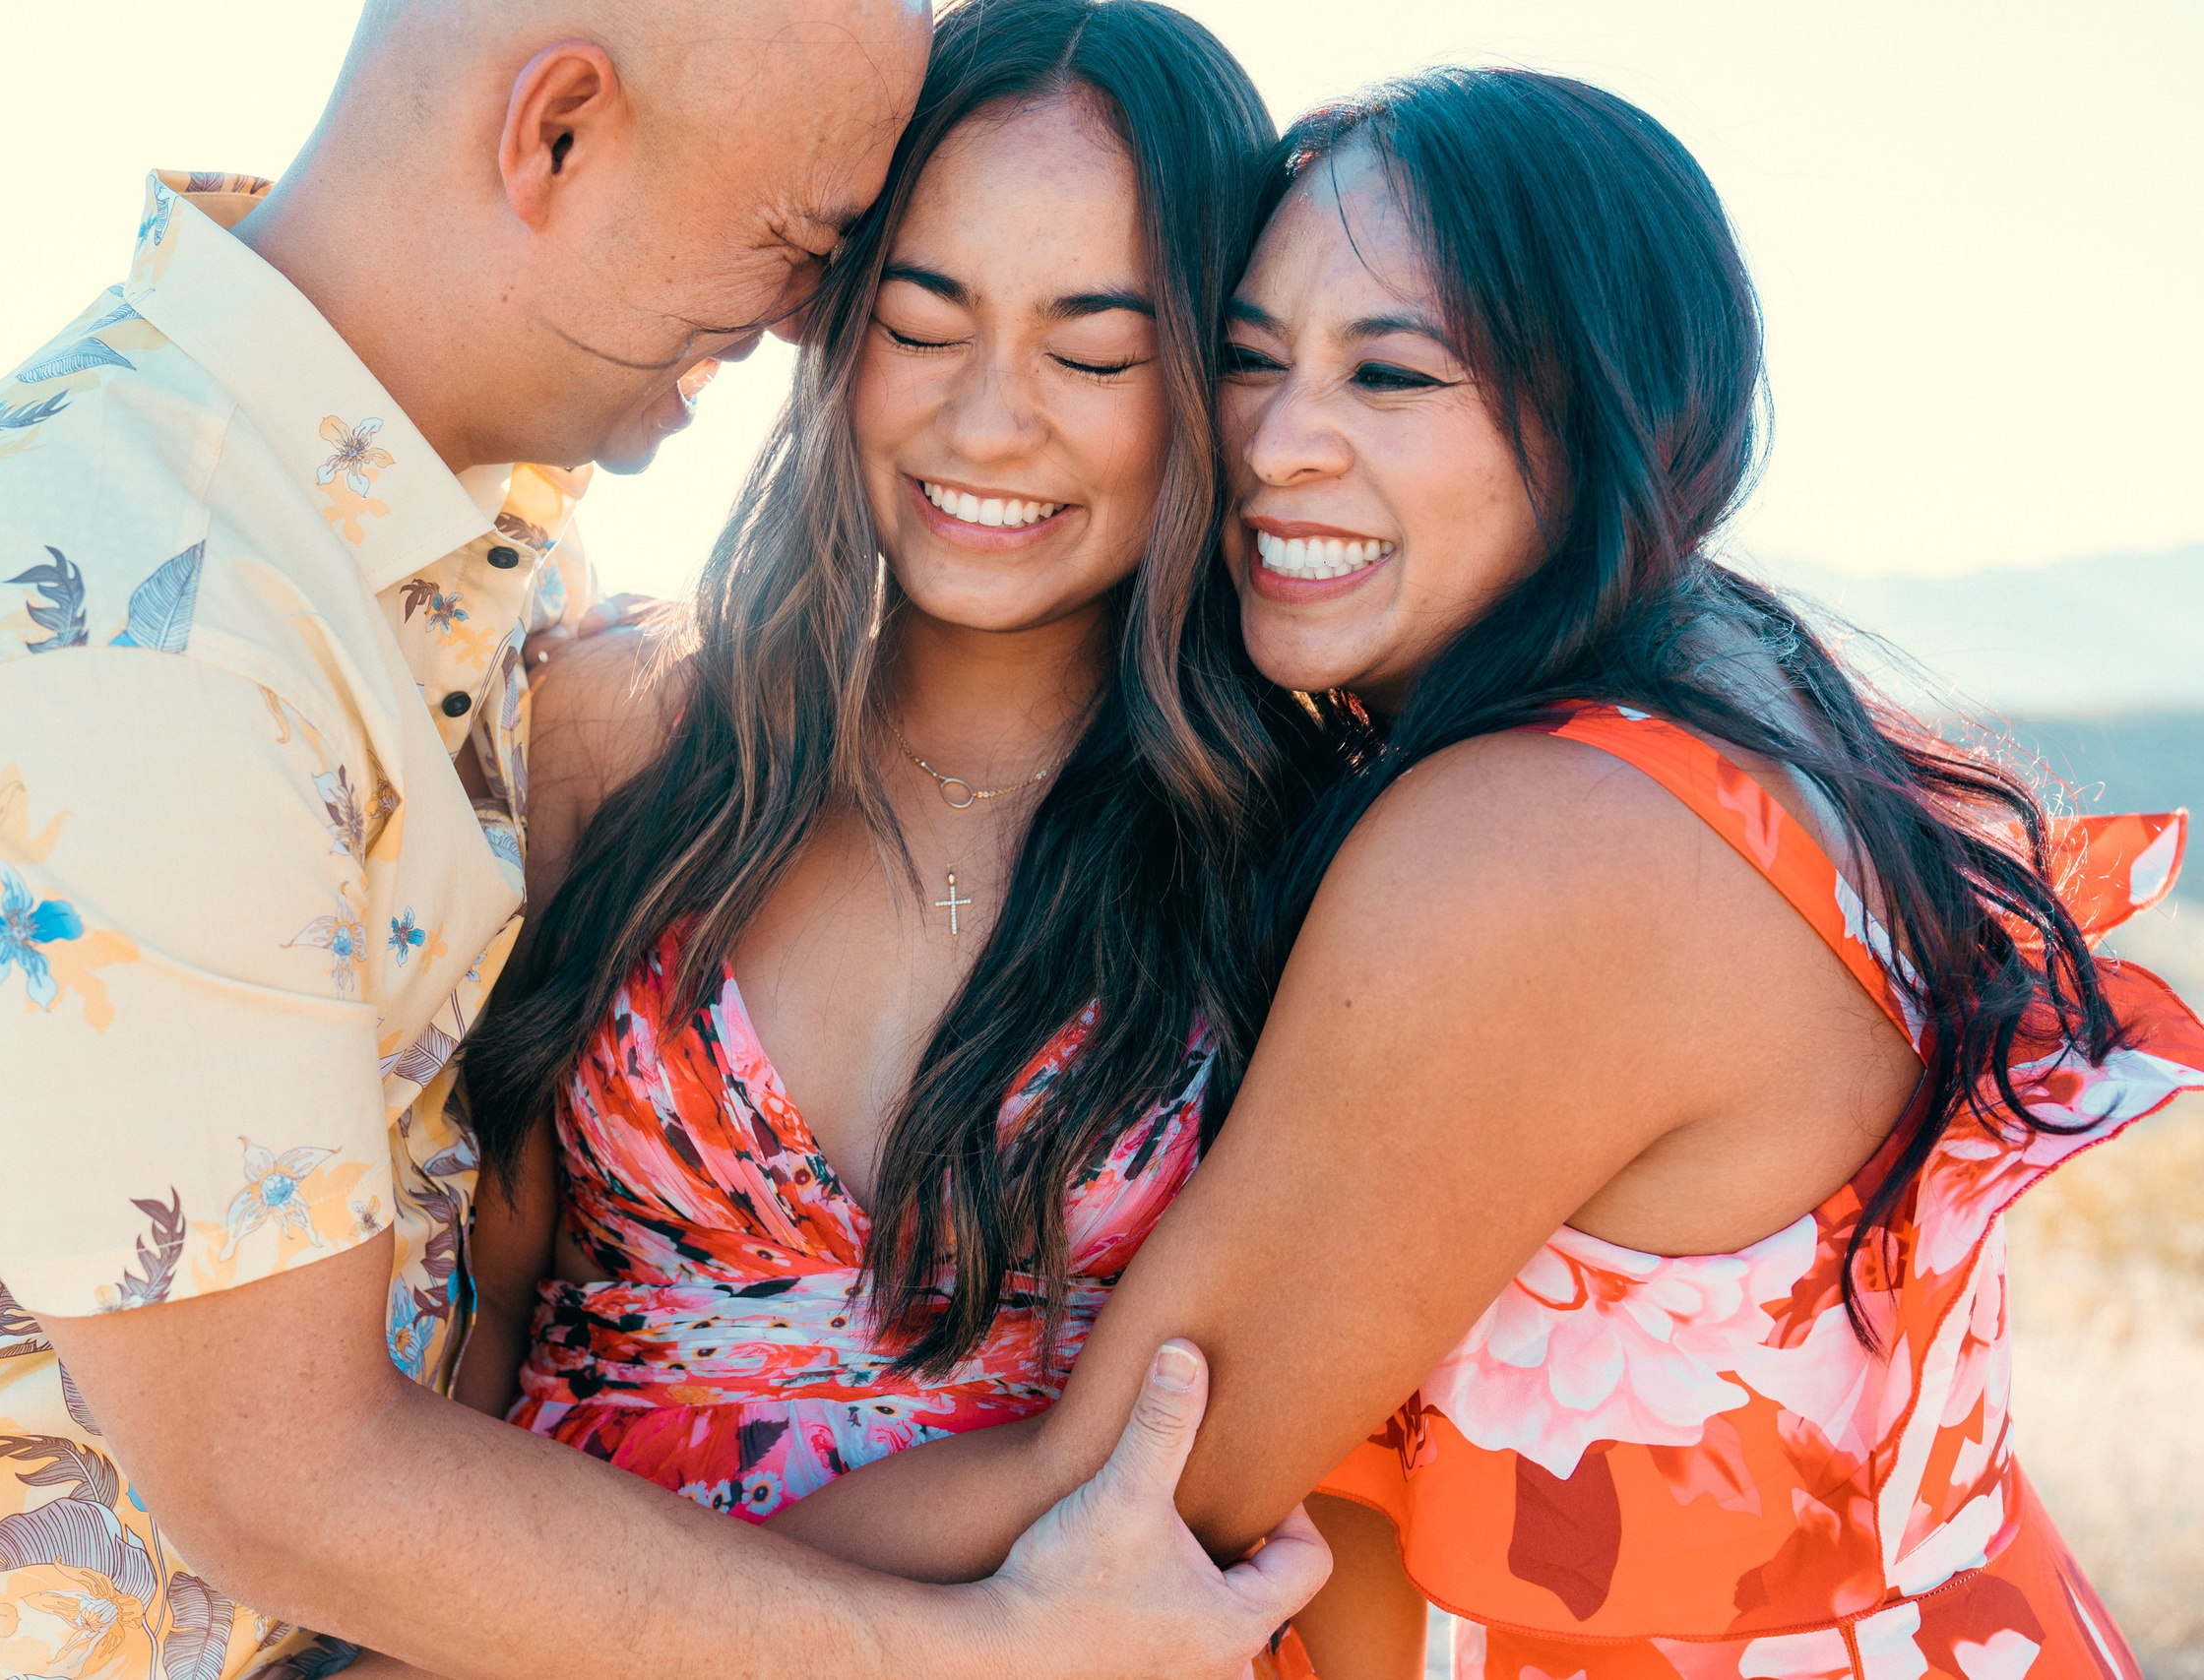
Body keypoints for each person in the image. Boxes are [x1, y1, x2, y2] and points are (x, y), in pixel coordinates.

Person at [0, 4, 1328, 1678]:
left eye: (1093, 350)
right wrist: (978, 1659)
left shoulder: (461, 569)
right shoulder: (139, 628)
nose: (799, 319)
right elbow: (289, 1477)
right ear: (556, 132)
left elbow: (461, 1263)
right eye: (813, 248)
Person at [753, 67, 2204, 1680]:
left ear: (1608, 412)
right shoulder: (1724, 707)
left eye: (1391, 374)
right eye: (1249, 360)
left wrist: (566, 1595)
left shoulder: (1537, 842)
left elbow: (1126, 1493)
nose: (1277, 445)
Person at [455, 0, 1331, 1530]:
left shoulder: (1304, 848)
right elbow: (470, 1320)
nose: (987, 425)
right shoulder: (621, 729)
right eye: (923, 328)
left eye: (1097, 354)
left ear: (1217, 380)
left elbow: (1349, 1461)